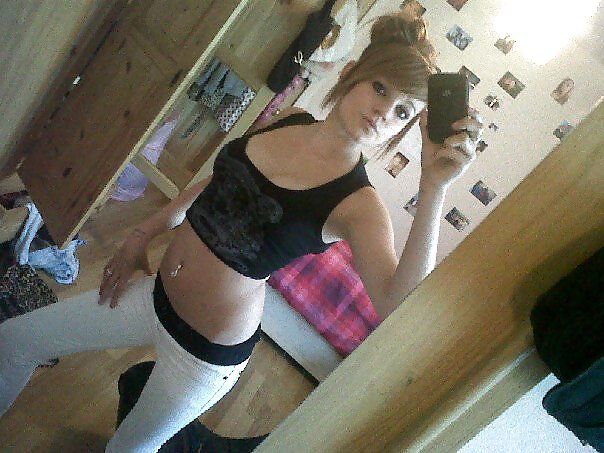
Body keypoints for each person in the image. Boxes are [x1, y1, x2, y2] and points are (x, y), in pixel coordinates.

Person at [0, 12, 483, 452]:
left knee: (126, 450)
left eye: (403, 112)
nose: (385, 111)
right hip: (154, 297)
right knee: (15, 341)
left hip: (203, 357)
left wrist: (433, 187)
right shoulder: (291, 119)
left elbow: (396, 304)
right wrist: (142, 232)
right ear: (352, 73)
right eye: (380, 88)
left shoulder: (360, 205)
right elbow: (218, 182)